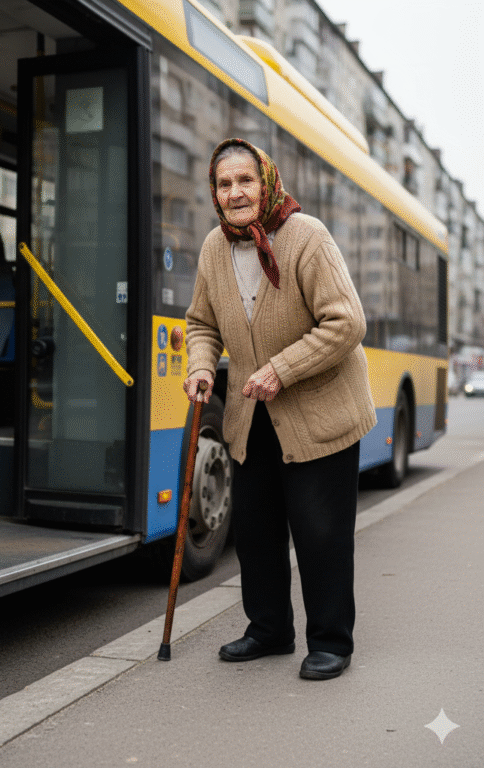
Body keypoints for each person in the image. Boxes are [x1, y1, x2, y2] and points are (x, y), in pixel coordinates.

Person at [183, 138, 377, 680]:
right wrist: (201, 366)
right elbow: (202, 324)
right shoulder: (212, 249)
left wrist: (282, 369)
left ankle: (331, 640)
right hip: (252, 415)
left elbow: (346, 322)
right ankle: (269, 630)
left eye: (244, 181)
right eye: (224, 184)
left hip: (320, 413)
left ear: (265, 181)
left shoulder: (306, 236)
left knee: (320, 531)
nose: (234, 193)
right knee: (257, 527)